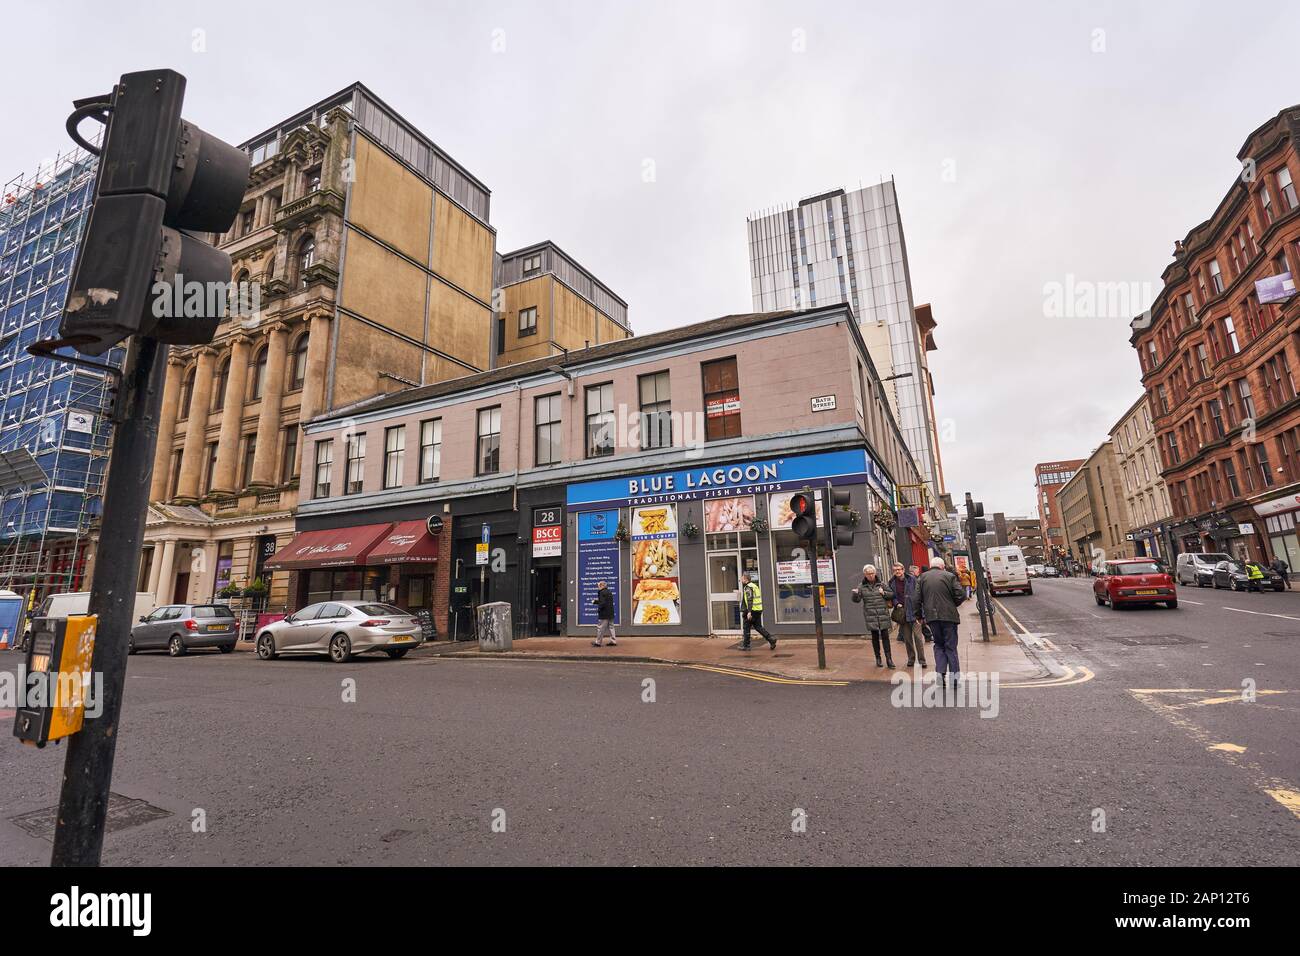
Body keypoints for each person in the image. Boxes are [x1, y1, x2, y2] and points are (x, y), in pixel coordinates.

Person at [911, 556, 966, 685]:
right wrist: (953, 605)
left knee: (939, 645)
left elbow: (916, 599)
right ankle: (954, 679)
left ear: (931, 565)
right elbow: (961, 595)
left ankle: (940, 676)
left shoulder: (922, 578)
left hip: (932, 617)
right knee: (951, 647)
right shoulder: (949, 576)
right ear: (942, 566)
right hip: (949, 617)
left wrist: (919, 616)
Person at [852, 564, 896, 669]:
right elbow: (856, 600)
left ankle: (889, 659)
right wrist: (855, 594)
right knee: (875, 637)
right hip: (871, 615)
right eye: (868, 574)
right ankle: (878, 658)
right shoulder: (861, 586)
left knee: (885, 637)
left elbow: (892, 594)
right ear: (865, 575)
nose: (871, 575)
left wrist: (883, 593)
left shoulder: (881, 584)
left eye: (872, 573)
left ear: (875, 573)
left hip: (882, 614)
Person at [889, 562, 926, 668]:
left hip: (914, 612)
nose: (897, 571)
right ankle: (911, 659)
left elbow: (920, 596)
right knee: (907, 639)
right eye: (895, 570)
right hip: (902, 614)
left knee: (918, 638)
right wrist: (896, 603)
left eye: (899, 569)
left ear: (903, 570)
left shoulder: (912, 579)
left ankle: (922, 660)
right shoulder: (891, 582)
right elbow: (892, 596)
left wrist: (922, 615)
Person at [740, 572, 777, 650]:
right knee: (758, 627)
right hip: (757, 609)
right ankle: (771, 639)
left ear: (745, 578)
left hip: (752, 610)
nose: (741, 579)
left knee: (746, 627)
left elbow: (750, 599)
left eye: (742, 578)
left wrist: (749, 612)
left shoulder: (748, 587)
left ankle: (746, 645)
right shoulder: (754, 586)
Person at [591, 580, 617, 647]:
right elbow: (606, 601)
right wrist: (596, 602)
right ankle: (613, 641)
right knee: (611, 627)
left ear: (602, 586)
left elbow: (602, 603)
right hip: (610, 612)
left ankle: (598, 642)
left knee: (600, 628)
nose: (598, 587)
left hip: (604, 613)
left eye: (598, 586)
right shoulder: (609, 591)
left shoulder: (601, 592)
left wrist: (599, 610)